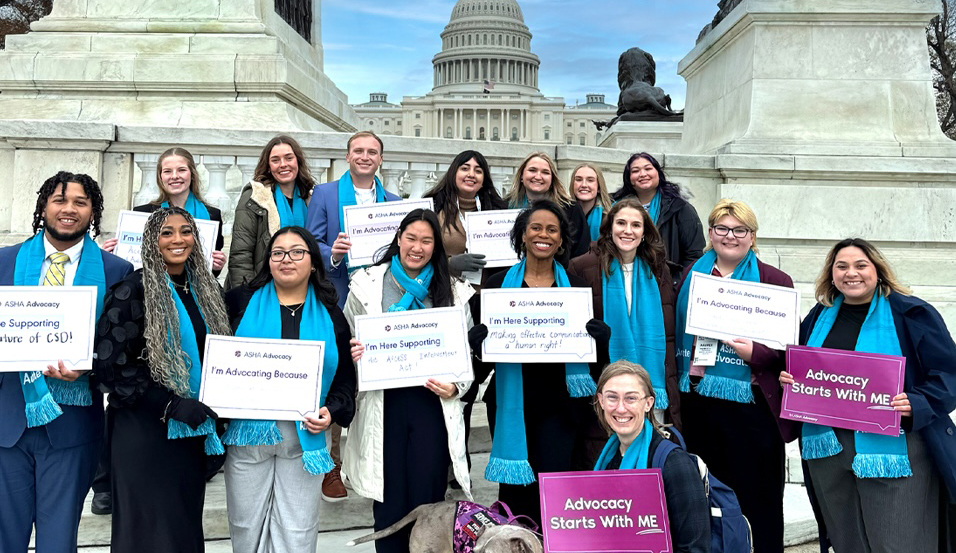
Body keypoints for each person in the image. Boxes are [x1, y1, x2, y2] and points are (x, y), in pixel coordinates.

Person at [776, 238, 956, 553]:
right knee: (847, 541)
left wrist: (918, 402)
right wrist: (791, 379)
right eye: (841, 266)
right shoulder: (819, 316)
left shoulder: (912, 314)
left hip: (895, 448)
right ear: (831, 274)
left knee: (898, 542)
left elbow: (948, 374)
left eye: (861, 265)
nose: (851, 274)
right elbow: (806, 368)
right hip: (829, 449)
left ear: (877, 270)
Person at [0, 171, 133, 553]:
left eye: (80, 202)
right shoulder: (4, 263)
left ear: (93, 211)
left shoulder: (115, 271)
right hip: (9, 421)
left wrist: (88, 364)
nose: (69, 209)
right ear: (44, 206)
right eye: (60, 200)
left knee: (58, 543)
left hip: (72, 425)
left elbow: (119, 349)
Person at [93, 207, 232, 553]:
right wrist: (169, 403)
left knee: (182, 531)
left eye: (186, 231)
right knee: (147, 534)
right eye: (166, 232)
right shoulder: (131, 291)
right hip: (145, 431)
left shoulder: (207, 291)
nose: (177, 239)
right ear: (151, 241)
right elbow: (113, 366)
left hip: (191, 432)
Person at [467, 200, 609, 526]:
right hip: (511, 404)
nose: (543, 235)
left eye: (551, 229)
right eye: (535, 228)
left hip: (563, 408)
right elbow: (481, 366)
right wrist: (476, 348)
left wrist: (601, 341)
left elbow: (593, 362)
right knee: (516, 495)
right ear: (522, 236)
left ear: (561, 240)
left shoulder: (576, 289)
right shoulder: (495, 287)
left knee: (557, 492)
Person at [343, 209, 474, 553]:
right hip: (384, 404)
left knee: (428, 496)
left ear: (436, 247)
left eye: (426, 241)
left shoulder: (455, 292)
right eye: (411, 238)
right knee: (388, 498)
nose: (417, 247)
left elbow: (466, 357)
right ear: (398, 238)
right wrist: (355, 353)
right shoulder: (367, 284)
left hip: (431, 405)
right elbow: (348, 338)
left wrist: (456, 387)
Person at [222, 226, 356, 553]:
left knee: (297, 530)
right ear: (267, 261)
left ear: (313, 263)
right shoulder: (239, 303)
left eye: (297, 252)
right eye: (278, 252)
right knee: (245, 526)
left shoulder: (331, 315)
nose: (287, 259)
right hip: (247, 437)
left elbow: (344, 381)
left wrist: (332, 412)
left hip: (305, 438)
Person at [675, 199, 795, 553]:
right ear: (710, 234)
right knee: (706, 495)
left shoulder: (775, 279)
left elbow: (790, 350)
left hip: (752, 406)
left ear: (752, 236)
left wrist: (755, 353)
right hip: (698, 401)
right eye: (722, 229)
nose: (730, 236)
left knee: (758, 497)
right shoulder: (690, 274)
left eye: (739, 230)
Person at [305, 130, 400, 501]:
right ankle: (332, 462)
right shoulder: (326, 195)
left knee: (369, 380)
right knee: (337, 376)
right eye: (358, 151)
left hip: (378, 300)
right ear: (347, 156)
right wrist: (336, 251)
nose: (364, 156)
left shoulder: (392, 201)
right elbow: (311, 241)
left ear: (380, 159)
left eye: (371, 152)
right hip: (337, 295)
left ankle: (366, 459)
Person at [569, 198, 679, 467]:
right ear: (609, 228)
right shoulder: (581, 267)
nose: (627, 230)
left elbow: (667, 334)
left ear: (644, 232)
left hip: (651, 382)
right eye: (621, 223)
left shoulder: (658, 268)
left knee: (650, 460)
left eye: (635, 225)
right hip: (605, 385)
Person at [593, 361, 710, 552]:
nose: (621, 408)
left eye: (631, 398)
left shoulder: (674, 463)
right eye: (612, 397)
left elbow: (696, 547)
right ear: (601, 401)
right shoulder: (607, 459)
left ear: (648, 403)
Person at [102, 147, 226, 274]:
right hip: (151, 289)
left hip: (194, 291)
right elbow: (131, 267)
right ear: (160, 176)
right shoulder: (143, 213)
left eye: (181, 170)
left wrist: (216, 266)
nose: (174, 176)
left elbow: (211, 272)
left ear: (192, 174)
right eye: (167, 171)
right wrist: (110, 256)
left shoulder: (212, 215)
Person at [228, 135, 316, 290]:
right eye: (275, 160)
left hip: (305, 287)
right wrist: (245, 297)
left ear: (298, 161)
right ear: (268, 166)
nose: (283, 164)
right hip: (263, 287)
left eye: (289, 158)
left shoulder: (312, 198)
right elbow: (241, 255)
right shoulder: (255, 197)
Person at [611, 152, 704, 279]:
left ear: (658, 174)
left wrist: (675, 285)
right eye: (635, 171)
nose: (643, 174)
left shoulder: (680, 208)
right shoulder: (615, 207)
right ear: (629, 178)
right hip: (621, 278)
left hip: (665, 283)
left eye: (648, 168)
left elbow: (694, 254)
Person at [423, 149, 509, 280]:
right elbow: (419, 251)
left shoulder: (498, 211)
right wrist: (449, 263)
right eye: (465, 168)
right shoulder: (434, 207)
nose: (471, 174)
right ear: (453, 173)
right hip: (445, 290)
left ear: (484, 179)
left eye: (478, 171)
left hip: (486, 293)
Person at [503, 152, 589, 263]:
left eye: (545, 172)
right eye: (532, 170)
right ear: (521, 176)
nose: (538, 176)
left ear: (552, 179)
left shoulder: (570, 209)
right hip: (510, 275)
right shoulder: (504, 206)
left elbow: (580, 251)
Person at [569, 163, 612, 243]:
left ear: (599, 187)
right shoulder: (563, 214)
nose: (584, 185)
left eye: (590, 180)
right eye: (578, 180)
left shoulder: (609, 218)